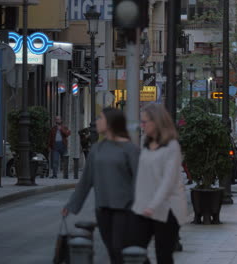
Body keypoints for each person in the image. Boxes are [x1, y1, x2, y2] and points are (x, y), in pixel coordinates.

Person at [62, 108, 140, 264]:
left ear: (111, 123)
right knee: (111, 248)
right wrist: (71, 205)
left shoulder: (130, 149)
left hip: (125, 209)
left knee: (119, 248)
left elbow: (140, 180)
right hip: (103, 208)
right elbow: (86, 181)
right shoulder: (97, 149)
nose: (97, 121)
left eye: (101, 118)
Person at [129, 103, 188, 264]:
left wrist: (152, 205)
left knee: (163, 255)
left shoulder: (172, 146)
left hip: (168, 209)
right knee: (136, 249)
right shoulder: (145, 143)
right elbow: (142, 177)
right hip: (146, 206)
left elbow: (168, 181)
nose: (142, 125)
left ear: (156, 122)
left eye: (145, 122)